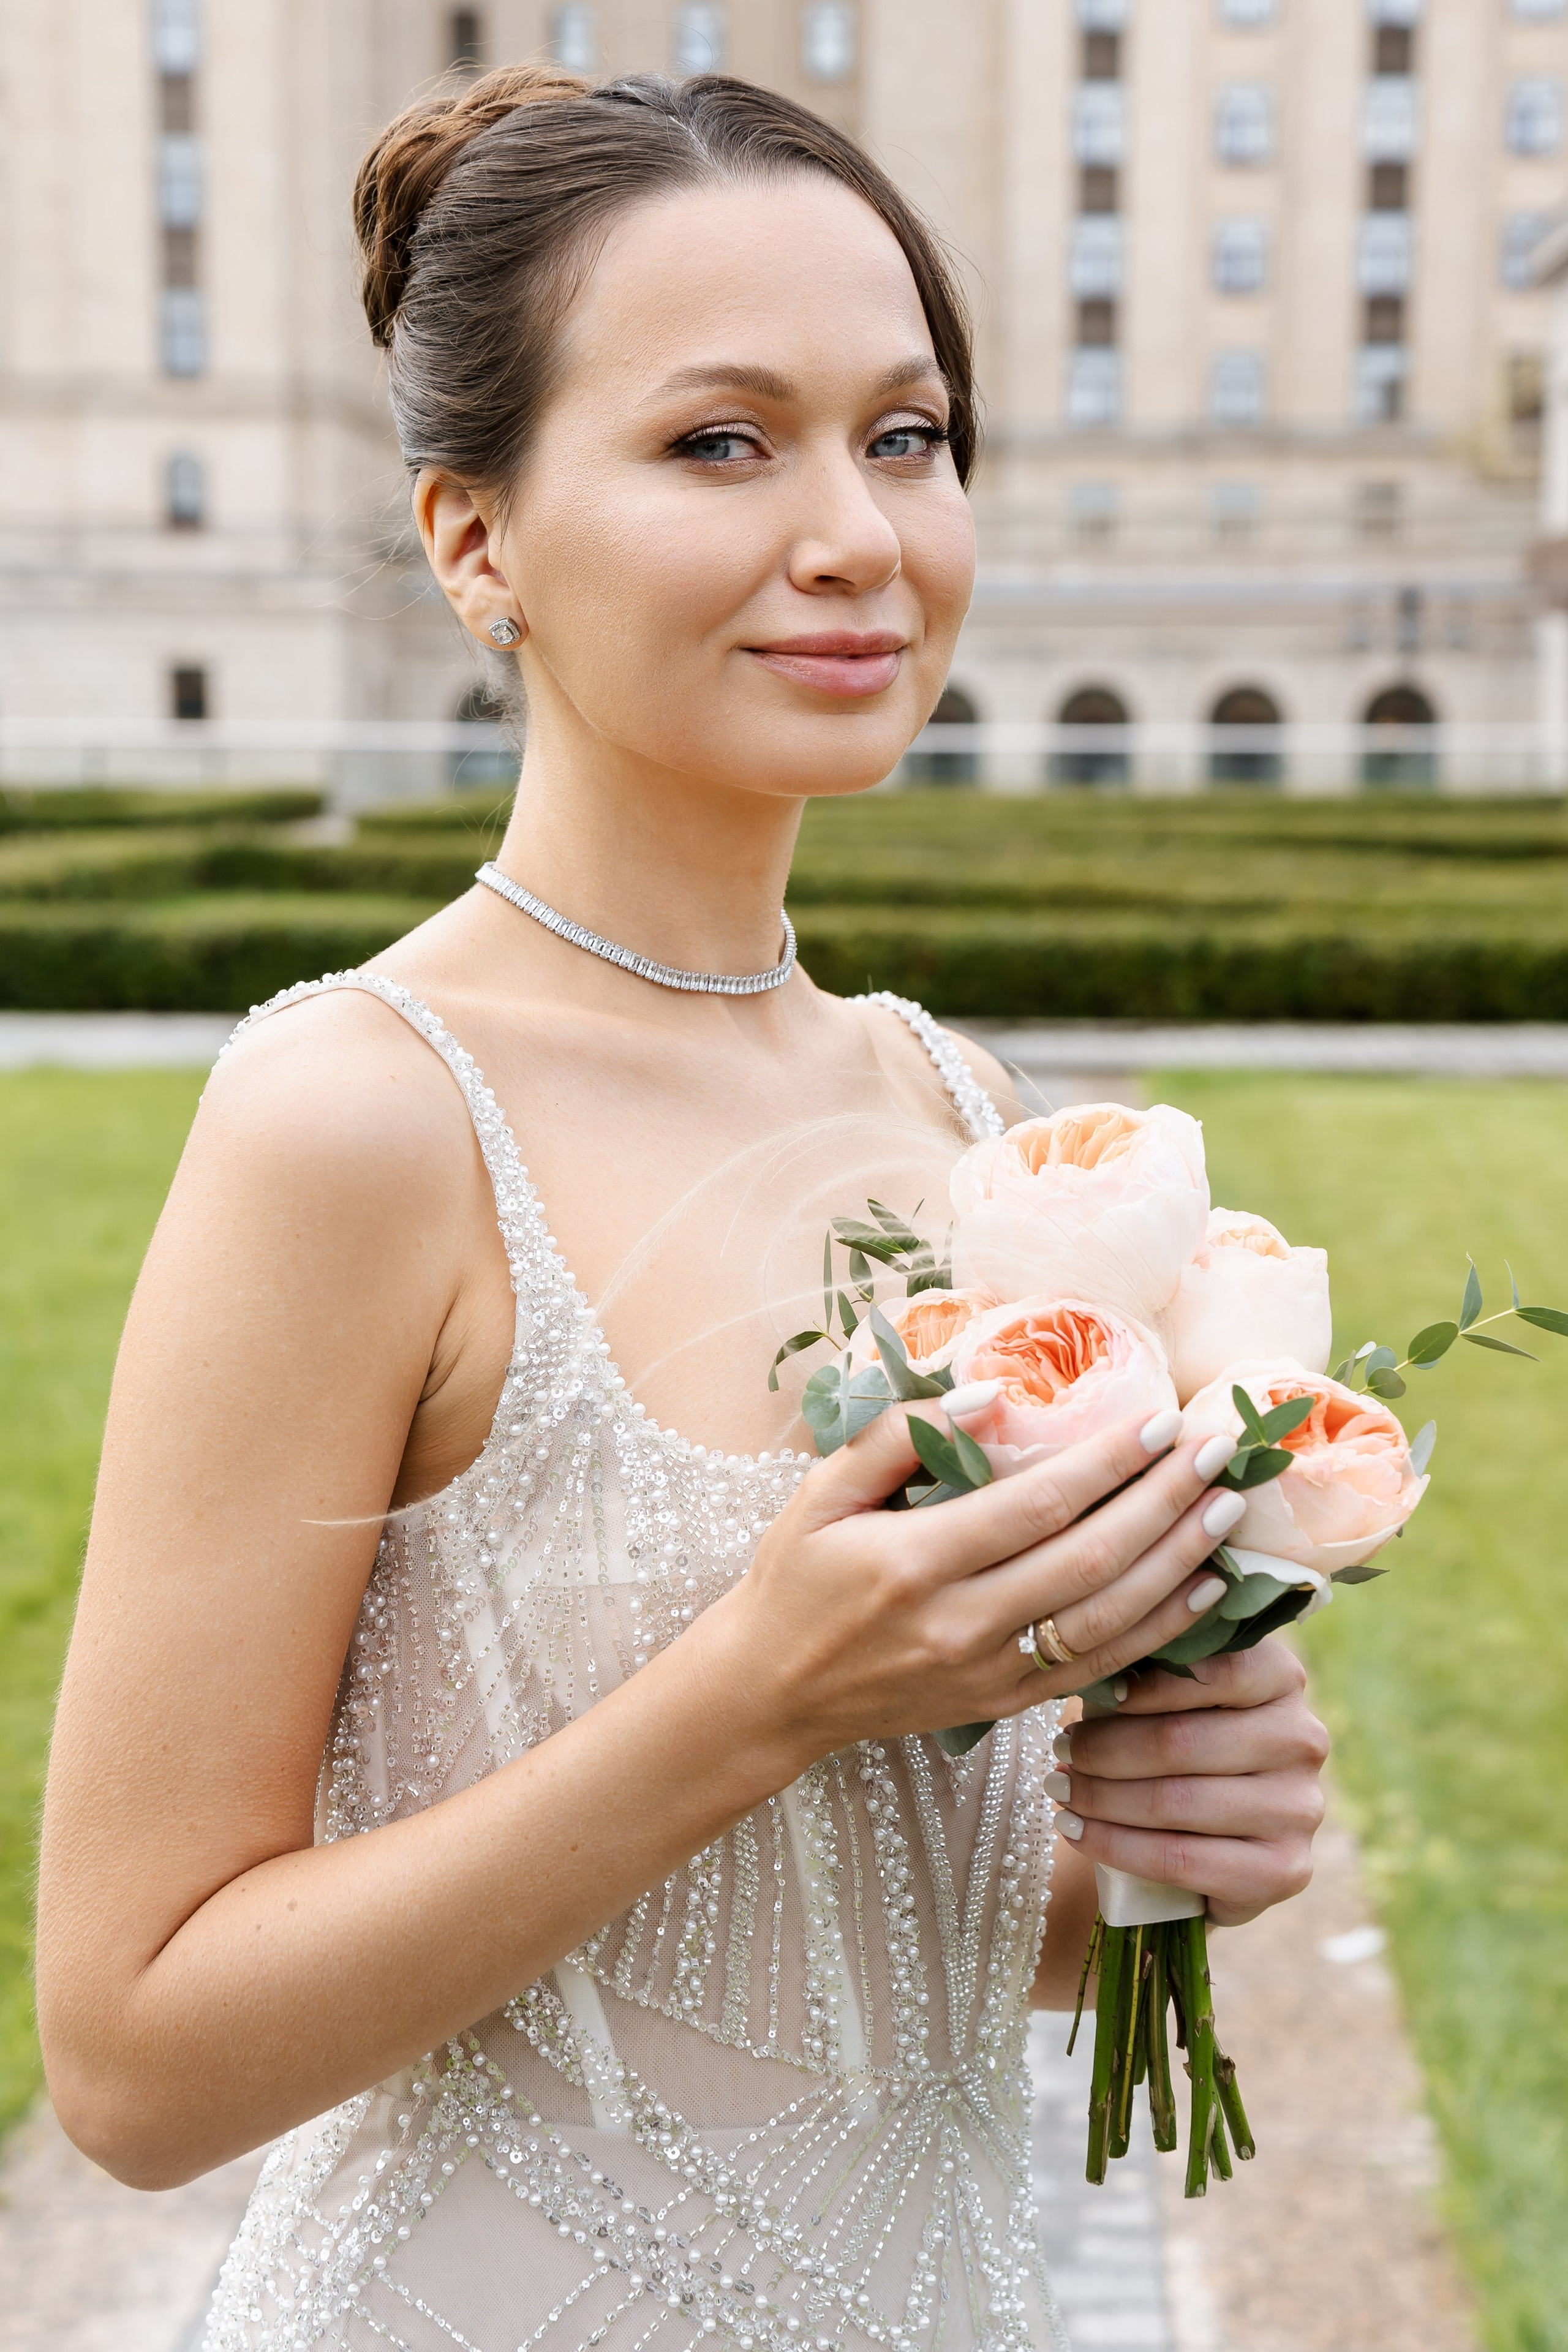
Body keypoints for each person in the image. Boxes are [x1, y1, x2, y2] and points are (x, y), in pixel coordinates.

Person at [36, 67, 1327, 2352]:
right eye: (722, 443)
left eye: (906, 436)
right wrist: (751, 1695)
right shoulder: (359, 1113)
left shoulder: (958, 1112)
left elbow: (875, 1938)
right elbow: (134, 2063)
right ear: (476, 538)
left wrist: (1150, 1864)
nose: (855, 534)